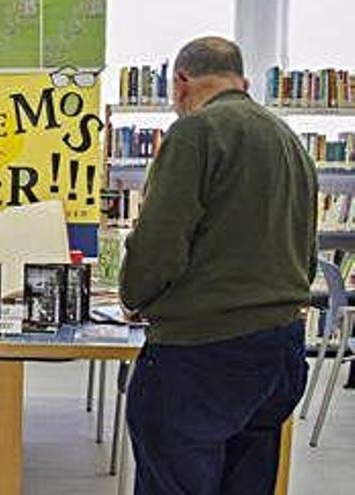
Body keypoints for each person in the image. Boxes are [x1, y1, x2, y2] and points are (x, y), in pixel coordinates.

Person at [119, 37, 316, 495]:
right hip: (280, 350)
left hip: (201, 355)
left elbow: (158, 247)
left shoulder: (196, 133)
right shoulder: (289, 140)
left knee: (175, 479)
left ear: (181, 83)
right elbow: (305, 254)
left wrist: (133, 298)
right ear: (241, 81)